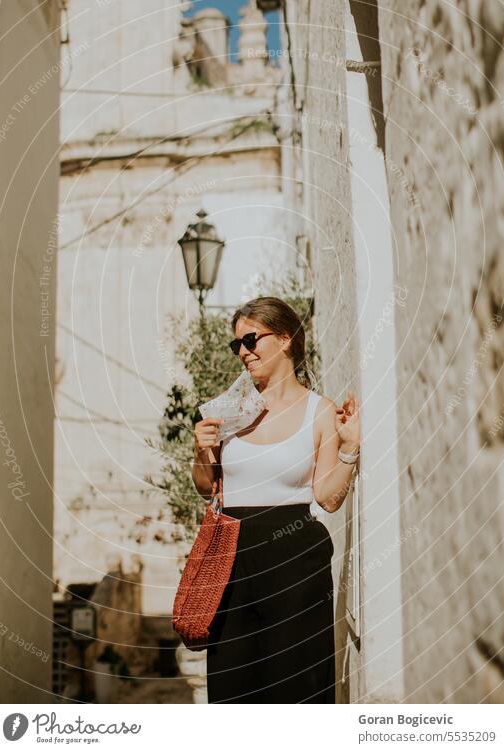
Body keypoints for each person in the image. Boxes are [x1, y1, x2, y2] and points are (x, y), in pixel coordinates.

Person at [192, 296, 360, 704]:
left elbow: (327, 498)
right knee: (233, 687)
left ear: (285, 339)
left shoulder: (319, 412)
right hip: (230, 558)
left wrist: (350, 450)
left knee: (295, 684)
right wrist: (200, 452)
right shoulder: (229, 410)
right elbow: (205, 485)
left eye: (251, 340)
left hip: (295, 559)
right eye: (237, 346)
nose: (244, 352)